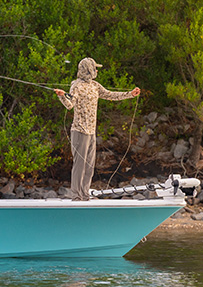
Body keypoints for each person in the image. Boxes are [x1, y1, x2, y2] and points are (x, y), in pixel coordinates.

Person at [55, 57, 140, 201]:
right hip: (79, 131)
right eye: (94, 68)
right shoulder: (76, 86)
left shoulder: (95, 85)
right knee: (79, 165)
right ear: (88, 69)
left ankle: (85, 194)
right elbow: (70, 105)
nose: (96, 70)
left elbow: (110, 95)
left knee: (89, 166)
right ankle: (76, 196)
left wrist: (130, 94)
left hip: (91, 131)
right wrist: (62, 96)